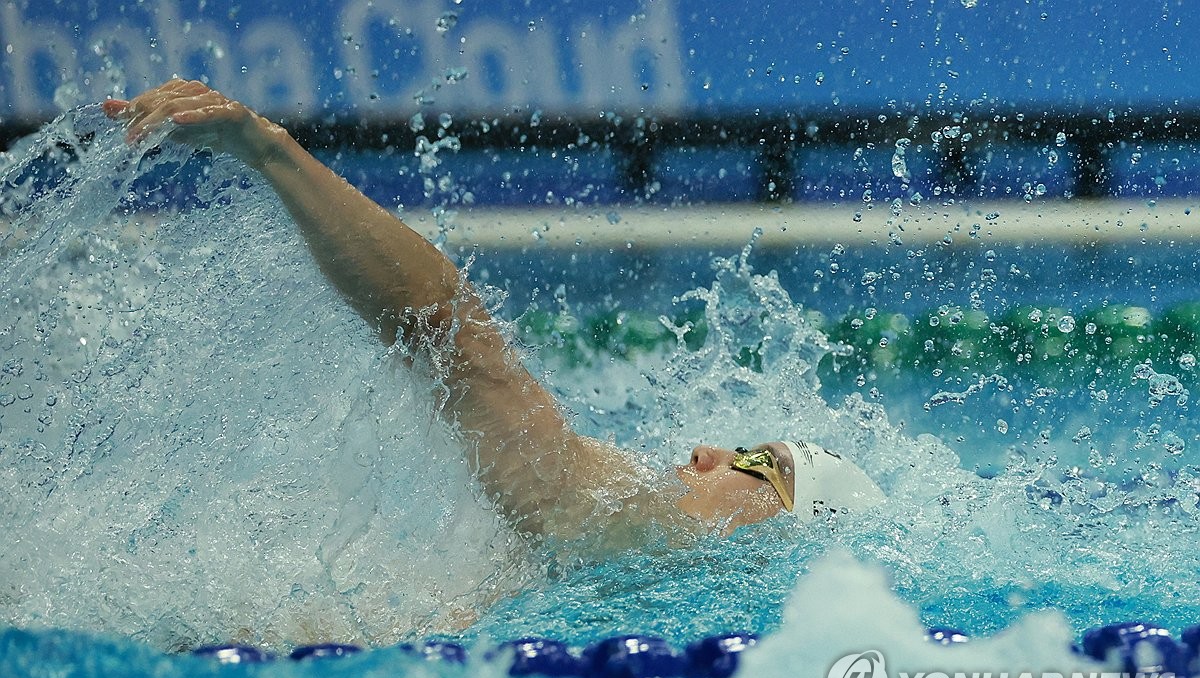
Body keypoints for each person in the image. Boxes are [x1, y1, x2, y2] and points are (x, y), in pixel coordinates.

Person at [102, 80, 886, 553]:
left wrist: (270, 150)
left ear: (779, 538)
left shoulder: (639, 530)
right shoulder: (632, 541)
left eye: (759, 465)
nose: (711, 450)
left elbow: (449, 335)